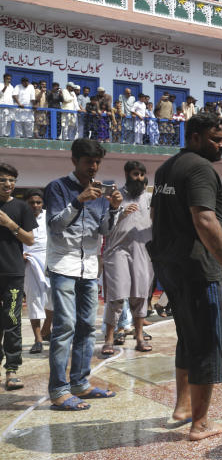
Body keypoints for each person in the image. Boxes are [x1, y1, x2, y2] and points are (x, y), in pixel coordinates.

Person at [150, 113, 222, 439]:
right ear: (195, 137)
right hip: (199, 270)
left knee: (188, 337)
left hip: (171, 266)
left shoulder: (165, 168)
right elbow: (205, 220)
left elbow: (156, 215)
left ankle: (182, 408)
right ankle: (200, 423)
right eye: (216, 139)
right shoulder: (200, 168)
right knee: (208, 342)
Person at [45, 139, 123, 409]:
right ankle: (58, 390)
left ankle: (80, 383)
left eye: (97, 162)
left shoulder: (100, 193)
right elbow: (55, 226)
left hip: (89, 268)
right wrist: (78, 201)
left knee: (87, 328)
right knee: (65, 327)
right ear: (74, 161)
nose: (94, 167)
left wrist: (112, 209)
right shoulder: (57, 187)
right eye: (89, 161)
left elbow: (104, 231)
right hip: (63, 265)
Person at [100, 161, 154, 356]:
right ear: (126, 174)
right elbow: (103, 227)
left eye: (141, 174)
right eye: (135, 174)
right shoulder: (115, 196)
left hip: (143, 251)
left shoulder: (150, 198)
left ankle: (139, 338)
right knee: (116, 298)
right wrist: (118, 211)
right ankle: (109, 340)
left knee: (140, 296)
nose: (138, 178)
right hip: (117, 251)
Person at [0, 163, 37, 390]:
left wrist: (9, 224)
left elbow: (30, 240)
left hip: (13, 272)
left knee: (12, 321)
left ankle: (12, 370)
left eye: (12, 180)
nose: (7, 184)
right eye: (3, 180)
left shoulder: (22, 208)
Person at [22, 190, 50, 354]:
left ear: (42, 203)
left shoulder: (49, 216)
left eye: (38, 202)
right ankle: (38, 339)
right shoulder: (20, 216)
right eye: (31, 203)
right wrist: (20, 254)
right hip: (30, 262)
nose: (35, 206)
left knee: (53, 298)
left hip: (49, 261)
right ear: (26, 203)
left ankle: (47, 330)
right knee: (34, 299)